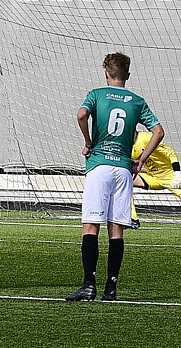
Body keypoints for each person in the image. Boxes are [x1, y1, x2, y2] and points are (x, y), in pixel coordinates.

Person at [67, 53, 164, 302]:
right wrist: (140, 160)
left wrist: (88, 142)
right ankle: (111, 289)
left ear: (106, 74)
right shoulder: (137, 101)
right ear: (127, 75)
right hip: (122, 169)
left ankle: (89, 285)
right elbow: (158, 131)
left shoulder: (96, 94)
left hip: (99, 166)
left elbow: (81, 115)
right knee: (116, 229)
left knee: (91, 225)